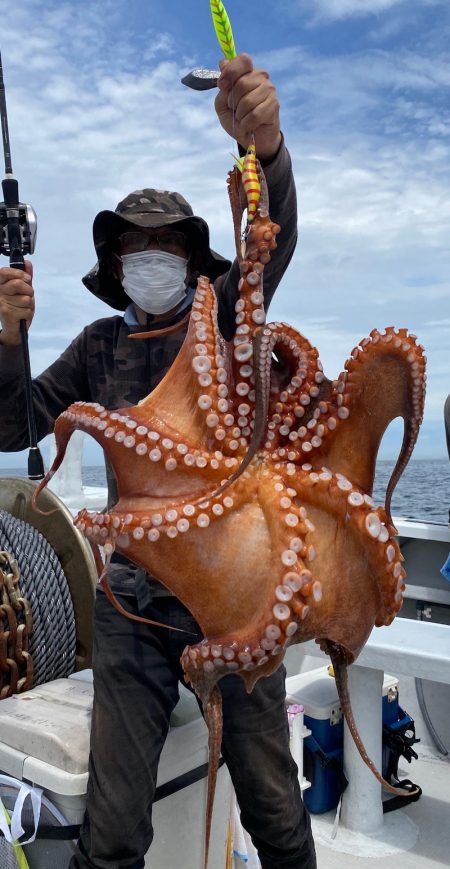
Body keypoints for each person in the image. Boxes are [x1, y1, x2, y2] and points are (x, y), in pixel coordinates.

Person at [0, 53, 316, 869]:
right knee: (111, 836)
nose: (151, 258)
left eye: (167, 245)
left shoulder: (221, 324)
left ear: (191, 259)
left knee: (276, 809)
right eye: (134, 247)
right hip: (133, 606)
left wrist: (267, 147)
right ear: (116, 267)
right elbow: (14, 421)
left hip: (234, 602)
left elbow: (267, 249)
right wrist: (4, 342)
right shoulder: (99, 345)